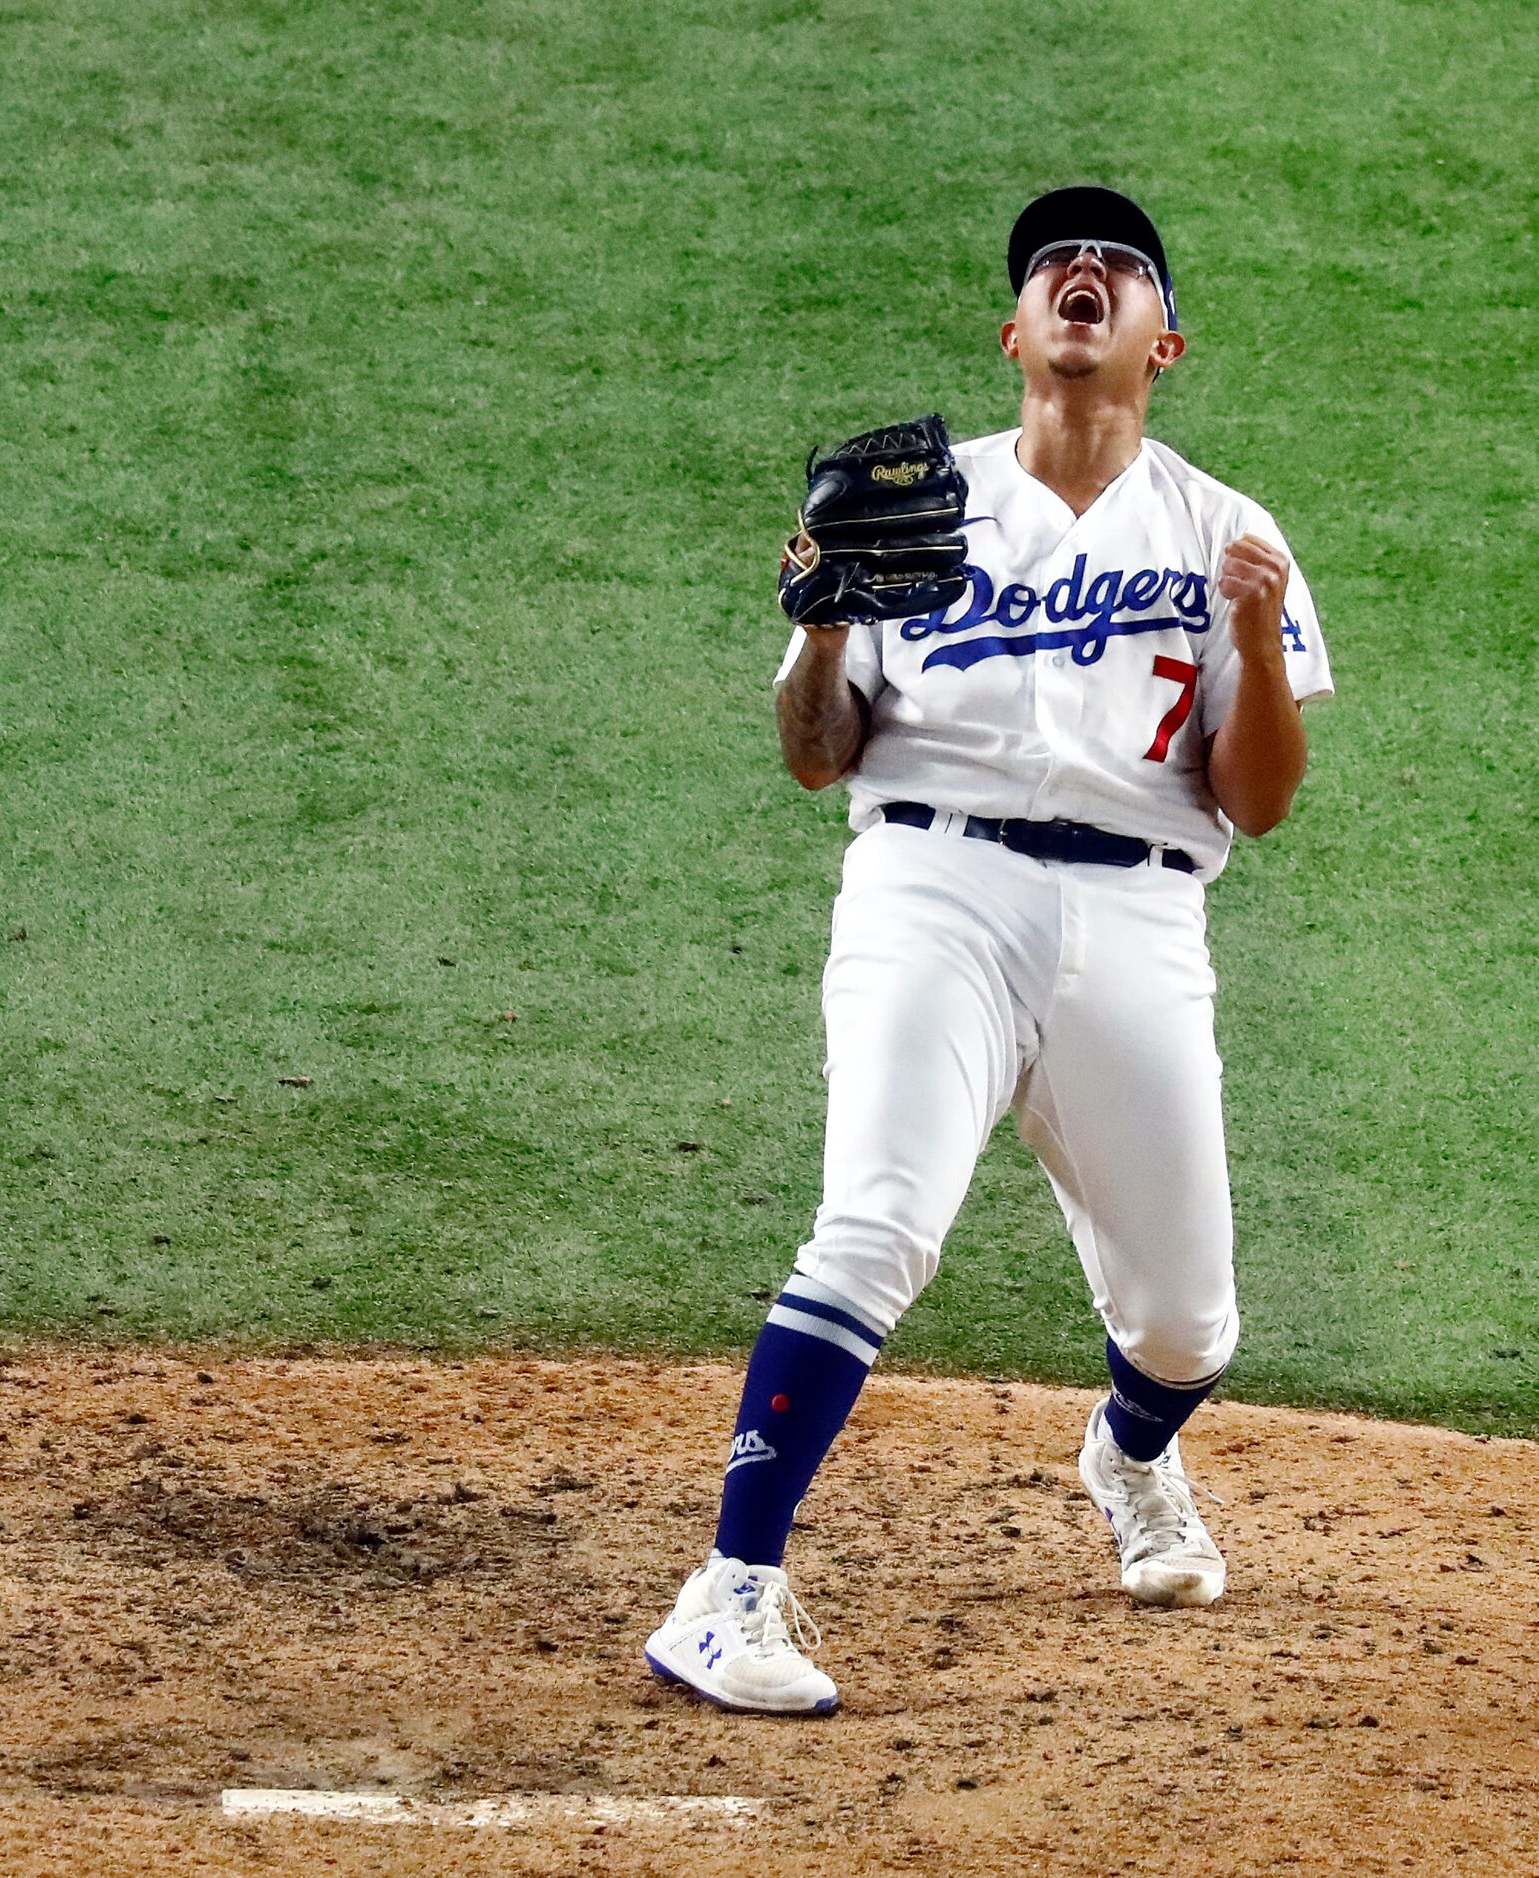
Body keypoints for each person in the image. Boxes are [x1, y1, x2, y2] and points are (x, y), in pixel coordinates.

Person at [645, 185, 1334, 1714]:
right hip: (929, 895)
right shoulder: (908, 507)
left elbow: (1261, 801)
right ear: (1016, 331)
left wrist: (1264, 643)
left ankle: (1130, 1454)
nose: (1083, 276)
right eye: (1054, 268)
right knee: (876, 1225)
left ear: (1164, 343)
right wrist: (821, 625)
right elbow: (817, 757)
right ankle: (728, 1588)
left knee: (1184, 1319)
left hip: (1142, 916)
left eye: (1120, 268)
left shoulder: (1231, 535)